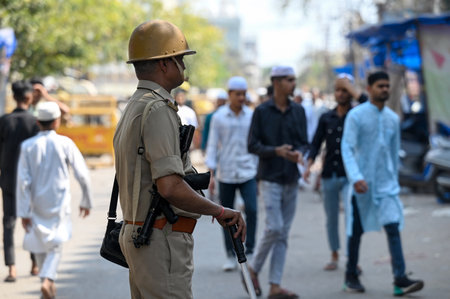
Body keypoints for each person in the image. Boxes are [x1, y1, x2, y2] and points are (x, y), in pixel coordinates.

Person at [113, 20, 246, 299]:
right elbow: (170, 187)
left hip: (142, 235)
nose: (184, 67)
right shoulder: (158, 109)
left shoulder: (135, 106)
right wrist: (220, 211)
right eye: (180, 60)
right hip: (159, 240)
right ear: (164, 63)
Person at [341, 71, 424, 296]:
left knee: (393, 227)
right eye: (380, 86)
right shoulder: (356, 116)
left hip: (386, 185)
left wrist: (394, 180)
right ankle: (350, 276)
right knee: (355, 231)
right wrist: (356, 177)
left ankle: (400, 278)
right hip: (362, 184)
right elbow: (347, 148)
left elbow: (394, 152)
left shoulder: (392, 119)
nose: (385, 89)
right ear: (369, 89)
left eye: (387, 86)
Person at [16, 101, 92, 299]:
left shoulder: (27, 146)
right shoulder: (65, 143)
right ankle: (48, 280)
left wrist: (23, 212)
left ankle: (45, 282)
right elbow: (82, 174)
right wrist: (86, 200)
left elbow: (22, 182)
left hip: (35, 203)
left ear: (37, 121)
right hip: (59, 202)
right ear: (57, 121)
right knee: (56, 245)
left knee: (40, 243)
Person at [247, 66, 308, 299]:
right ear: (277, 82)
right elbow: (252, 145)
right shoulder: (261, 111)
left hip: (291, 178)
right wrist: (277, 152)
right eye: (289, 80)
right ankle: (254, 268)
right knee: (275, 227)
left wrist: (299, 154)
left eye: (294, 79)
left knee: (283, 233)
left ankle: (275, 286)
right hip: (270, 178)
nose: (293, 84)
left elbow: (305, 142)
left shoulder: (299, 111)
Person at [303, 75, 365, 271]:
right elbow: (316, 143)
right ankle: (334, 254)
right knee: (331, 218)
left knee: (351, 216)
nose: (341, 93)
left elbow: (369, 104)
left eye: (345, 90)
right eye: (338, 89)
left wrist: (354, 90)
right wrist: (308, 165)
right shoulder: (326, 117)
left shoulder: (359, 115)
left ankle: (352, 258)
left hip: (350, 175)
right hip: (329, 173)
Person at [205, 76, 258, 271]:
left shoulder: (251, 115)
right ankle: (230, 253)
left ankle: (250, 250)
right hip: (225, 172)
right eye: (238, 94)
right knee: (226, 216)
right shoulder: (219, 117)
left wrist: (258, 171)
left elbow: (256, 144)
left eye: (244, 94)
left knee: (252, 209)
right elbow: (212, 145)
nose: (242, 98)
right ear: (229, 95)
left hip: (248, 172)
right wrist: (210, 174)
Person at [0, 80, 40, 282]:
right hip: (29, 182)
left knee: (8, 222)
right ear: (29, 97)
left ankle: (12, 268)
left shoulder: (4, 121)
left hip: (7, 179)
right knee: (30, 222)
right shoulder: (34, 122)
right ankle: (34, 264)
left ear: (14, 97)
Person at [200, 89, 227, 153]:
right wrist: (203, 146)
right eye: (220, 101)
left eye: (223, 101)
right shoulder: (210, 116)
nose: (221, 103)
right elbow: (205, 131)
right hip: (213, 147)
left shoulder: (230, 116)